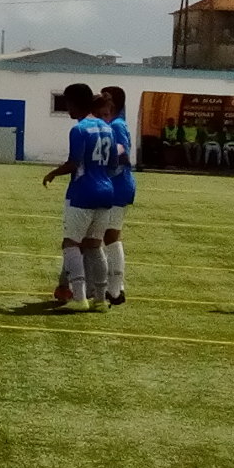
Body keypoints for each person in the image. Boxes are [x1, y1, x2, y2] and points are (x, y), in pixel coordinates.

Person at [44, 85, 114, 313]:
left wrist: (53, 173)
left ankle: (79, 297)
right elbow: (113, 163)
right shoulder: (107, 128)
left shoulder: (79, 129)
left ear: (75, 103)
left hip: (83, 192)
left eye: (68, 103)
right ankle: (101, 299)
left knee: (71, 243)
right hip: (106, 191)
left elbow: (74, 163)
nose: (67, 109)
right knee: (95, 245)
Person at [101, 86, 134, 306]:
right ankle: (115, 287)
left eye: (106, 97)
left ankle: (115, 289)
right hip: (116, 185)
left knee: (111, 236)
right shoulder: (114, 123)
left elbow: (123, 156)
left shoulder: (116, 125)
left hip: (117, 185)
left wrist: (104, 171)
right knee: (109, 235)